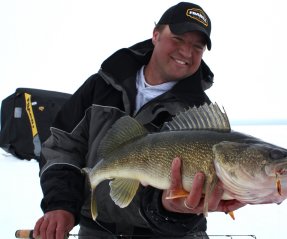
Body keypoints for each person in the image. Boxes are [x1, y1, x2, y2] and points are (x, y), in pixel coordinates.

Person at [33, 2, 245, 239]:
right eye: (177, 39)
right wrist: (61, 203)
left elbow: (184, 199)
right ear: (156, 35)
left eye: (198, 47)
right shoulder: (100, 86)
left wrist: (171, 210)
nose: (187, 52)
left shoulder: (199, 113)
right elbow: (62, 146)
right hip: (97, 230)